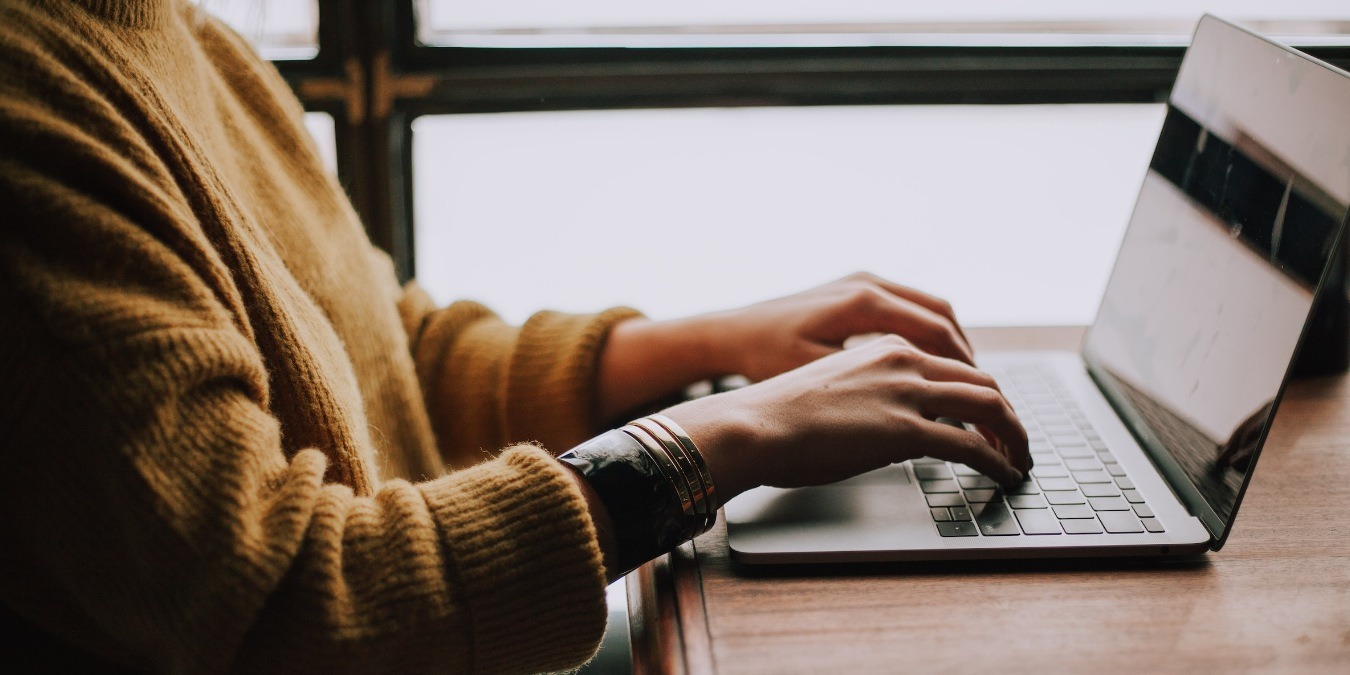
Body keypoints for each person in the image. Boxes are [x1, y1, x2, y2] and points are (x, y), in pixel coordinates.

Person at [0, 1, 1030, 672]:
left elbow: (389, 358)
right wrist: (721, 438)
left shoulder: (171, 30)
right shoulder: (29, 113)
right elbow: (291, 609)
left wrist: (711, 344)